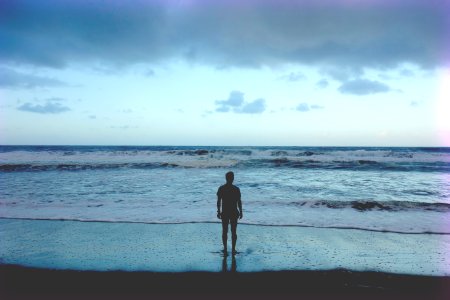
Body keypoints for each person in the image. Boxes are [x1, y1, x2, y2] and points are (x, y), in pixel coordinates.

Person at [217, 171, 243, 255]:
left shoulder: (222, 188)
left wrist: (218, 211)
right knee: (233, 231)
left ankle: (225, 248)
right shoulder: (236, 189)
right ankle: (233, 249)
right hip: (233, 212)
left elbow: (218, 201)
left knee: (225, 231)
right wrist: (241, 211)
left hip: (225, 212)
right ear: (232, 178)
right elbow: (239, 202)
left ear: (226, 178)